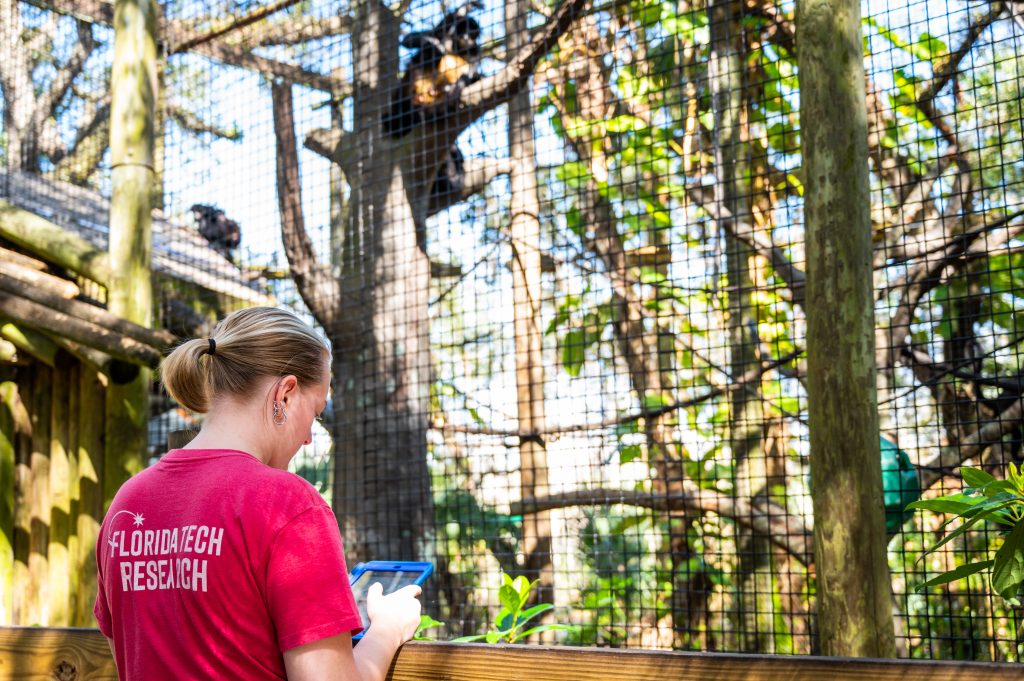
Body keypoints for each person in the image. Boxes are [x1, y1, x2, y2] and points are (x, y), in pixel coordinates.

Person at [94, 306, 422, 680]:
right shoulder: (287, 504)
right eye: (314, 414)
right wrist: (387, 630)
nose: (308, 436)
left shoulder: (127, 502)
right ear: (284, 394)